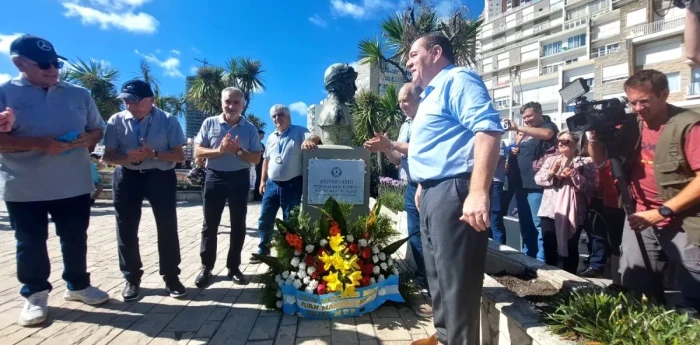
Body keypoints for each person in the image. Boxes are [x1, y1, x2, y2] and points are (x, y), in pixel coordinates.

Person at [0, 35, 109, 326]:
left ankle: (78, 286)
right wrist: (40, 143)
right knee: (30, 242)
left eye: (57, 63)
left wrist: (89, 139)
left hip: (73, 184)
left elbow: (97, 129)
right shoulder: (4, 93)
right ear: (19, 63)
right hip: (24, 186)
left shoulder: (79, 94)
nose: (53, 69)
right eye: (45, 64)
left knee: (75, 237)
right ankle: (35, 294)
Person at [406, 33, 504, 345]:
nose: (408, 62)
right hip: (434, 192)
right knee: (437, 277)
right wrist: (424, 183)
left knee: (457, 285)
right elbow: (440, 144)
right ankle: (446, 338)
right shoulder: (432, 92)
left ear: (436, 53)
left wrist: (478, 192)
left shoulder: (458, 79)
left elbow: (488, 128)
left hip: (456, 191)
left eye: (413, 54)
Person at [588, 69, 700, 311]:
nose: (638, 108)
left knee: (694, 287)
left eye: (644, 101)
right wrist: (595, 137)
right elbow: (600, 161)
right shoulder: (632, 125)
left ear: (664, 94)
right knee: (637, 286)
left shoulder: (687, 125)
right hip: (639, 214)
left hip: (682, 217)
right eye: (632, 102)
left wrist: (663, 212)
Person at [102, 79, 187, 301]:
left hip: (160, 176)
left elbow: (179, 156)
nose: (130, 105)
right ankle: (131, 278)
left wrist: (153, 154)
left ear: (152, 101)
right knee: (126, 228)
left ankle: (171, 277)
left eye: (135, 101)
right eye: (126, 100)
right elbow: (107, 157)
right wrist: (127, 157)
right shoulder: (116, 121)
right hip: (127, 176)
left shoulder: (168, 120)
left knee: (167, 226)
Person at [363, 82, 433, 318]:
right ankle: (423, 279)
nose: (402, 105)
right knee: (415, 234)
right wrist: (384, 147)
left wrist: (391, 144)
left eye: (406, 100)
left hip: (427, 183)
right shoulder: (405, 125)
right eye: (400, 102)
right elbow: (396, 160)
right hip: (412, 183)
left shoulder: (426, 118)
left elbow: (421, 151)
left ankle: (435, 288)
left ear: (418, 98)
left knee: (429, 235)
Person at [194, 87, 263, 287]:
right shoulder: (210, 123)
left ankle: (233, 267)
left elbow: (256, 158)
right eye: (227, 102)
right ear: (221, 102)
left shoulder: (249, 128)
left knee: (238, 224)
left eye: (235, 103)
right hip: (214, 176)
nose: (231, 106)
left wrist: (238, 151)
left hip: (239, 178)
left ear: (242, 105)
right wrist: (220, 150)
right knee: (210, 224)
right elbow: (198, 151)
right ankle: (206, 267)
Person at [254, 105, 320, 262]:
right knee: (265, 219)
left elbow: (315, 137)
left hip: (292, 185)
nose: (277, 118)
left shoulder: (298, 131)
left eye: (280, 115)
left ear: (289, 116)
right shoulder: (271, 137)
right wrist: (262, 181)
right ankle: (264, 249)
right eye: (274, 116)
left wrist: (309, 141)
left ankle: (289, 253)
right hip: (272, 184)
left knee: (290, 221)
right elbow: (266, 160)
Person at [534, 131, 597, 274]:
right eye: (559, 141)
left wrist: (574, 175)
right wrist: (552, 173)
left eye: (566, 141)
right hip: (550, 210)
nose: (561, 143)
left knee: (571, 246)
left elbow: (592, 186)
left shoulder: (586, 162)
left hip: (574, 212)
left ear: (576, 143)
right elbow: (538, 179)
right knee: (549, 245)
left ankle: (570, 280)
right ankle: (550, 277)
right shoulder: (551, 160)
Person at [502, 102, 559, 261]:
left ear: (539, 112)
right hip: (521, 185)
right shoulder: (525, 134)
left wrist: (518, 127)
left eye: (529, 116)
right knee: (525, 226)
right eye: (524, 117)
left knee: (540, 225)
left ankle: (543, 262)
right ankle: (529, 258)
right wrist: (515, 148)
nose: (526, 120)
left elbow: (547, 134)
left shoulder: (548, 125)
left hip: (537, 187)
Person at [489, 141, 508, 245]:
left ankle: (500, 252)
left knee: (495, 219)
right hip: (481, 184)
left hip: (495, 183)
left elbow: (496, 161)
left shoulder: (498, 141)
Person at [254, 129, 266, 201]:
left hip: (262, 163)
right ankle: (257, 196)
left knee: (261, 178)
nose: (263, 137)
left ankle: (260, 194)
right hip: (258, 163)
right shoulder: (255, 143)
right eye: (262, 135)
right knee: (259, 178)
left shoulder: (261, 144)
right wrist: (263, 153)